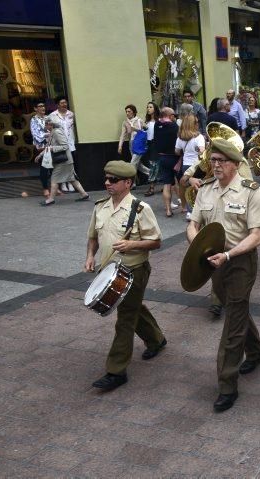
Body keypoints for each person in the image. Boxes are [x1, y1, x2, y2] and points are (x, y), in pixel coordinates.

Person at [187, 138, 260, 412]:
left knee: (232, 320)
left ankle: (226, 384)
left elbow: (257, 235)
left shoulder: (251, 191)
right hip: (214, 262)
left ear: (235, 164)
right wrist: (197, 246)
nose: (216, 165)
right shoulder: (206, 190)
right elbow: (194, 224)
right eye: (213, 160)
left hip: (240, 261)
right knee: (236, 308)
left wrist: (229, 255)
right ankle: (257, 351)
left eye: (221, 161)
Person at [84, 161, 165, 391]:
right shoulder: (100, 206)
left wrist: (132, 244)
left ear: (128, 183)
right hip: (109, 269)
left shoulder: (140, 209)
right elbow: (92, 237)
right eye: (107, 179)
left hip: (134, 270)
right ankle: (157, 340)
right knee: (133, 308)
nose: (107, 183)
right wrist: (90, 256)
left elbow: (156, 242)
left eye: (113, 180)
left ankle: (116, 371)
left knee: (125, 318)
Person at [39, 118, 90, 206]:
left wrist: (53, 148)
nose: (45, 126)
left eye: (46, 124)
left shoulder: (57, 132)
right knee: (72, 178)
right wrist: (40, 155)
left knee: (54, 179)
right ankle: (84, 194)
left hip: (63, 161)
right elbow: (49, 146)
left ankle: (50, 199)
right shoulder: (52, 132)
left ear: (50, 125)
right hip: (65, 161)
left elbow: (65, 146)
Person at [174, 114, 205, 221]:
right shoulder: (199, 137)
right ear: (193, 124)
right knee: (199, 188)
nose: (198, 124)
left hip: (186, 165)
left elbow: (177, 151)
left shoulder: (180, 137)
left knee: (188, 190)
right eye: (196, 122)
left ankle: (190, 212)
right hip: (197, 165)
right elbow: (202, 151)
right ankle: (200, 211)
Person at [153, 107, 180, 217]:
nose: (174, 117)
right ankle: (183, 206)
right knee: (178, 182)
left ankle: (168, 210)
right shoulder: (174, 126)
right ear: (169, 115)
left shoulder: (156, 125)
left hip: (162, 157)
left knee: (167, 184)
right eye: (173, 115)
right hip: (174, 157)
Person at [49, 96, 77, 193]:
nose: (64, 104)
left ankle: (70, 182)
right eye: (62, 103)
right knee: (61, 164)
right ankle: (63, 183)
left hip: (70, 143)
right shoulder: (52, 115)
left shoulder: (71, 114)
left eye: (65, 102)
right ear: (58, 105)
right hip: (59, 144)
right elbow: (50, 129)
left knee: (70, 164)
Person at [117, 104, 150, 182]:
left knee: (132, 163)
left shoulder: (139, 120)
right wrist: (120, 146)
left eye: (129, 111)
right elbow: (123, 135)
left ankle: (132, 182)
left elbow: (147, 130)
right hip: (131, 144)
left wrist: (137, 129)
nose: (127, 113)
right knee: (137, 164)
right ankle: (152, 173)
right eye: (126, 111)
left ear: (134, 112)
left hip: (139, 144)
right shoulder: (125, 122)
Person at [30, 102, 50, 197]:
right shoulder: (34, 120)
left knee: (54, 168)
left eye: (43, 106)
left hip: (51, 145)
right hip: (41, 146)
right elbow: (35, 134)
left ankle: (55, 187)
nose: (43, 107)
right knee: (44, 168)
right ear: (35, 108)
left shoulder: (48, 118)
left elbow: (53, 129)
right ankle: (45, 188)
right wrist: (48, 135)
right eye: (40, 106)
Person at [143, 101, 159, 197]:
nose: (148, 109)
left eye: (151, 107)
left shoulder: (158, 121)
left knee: (154, 165)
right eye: (148, 107)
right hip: (148, 144)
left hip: (155, 144)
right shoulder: (146, 122)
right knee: (152, 165)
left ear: (155, 109)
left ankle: (152, 187)